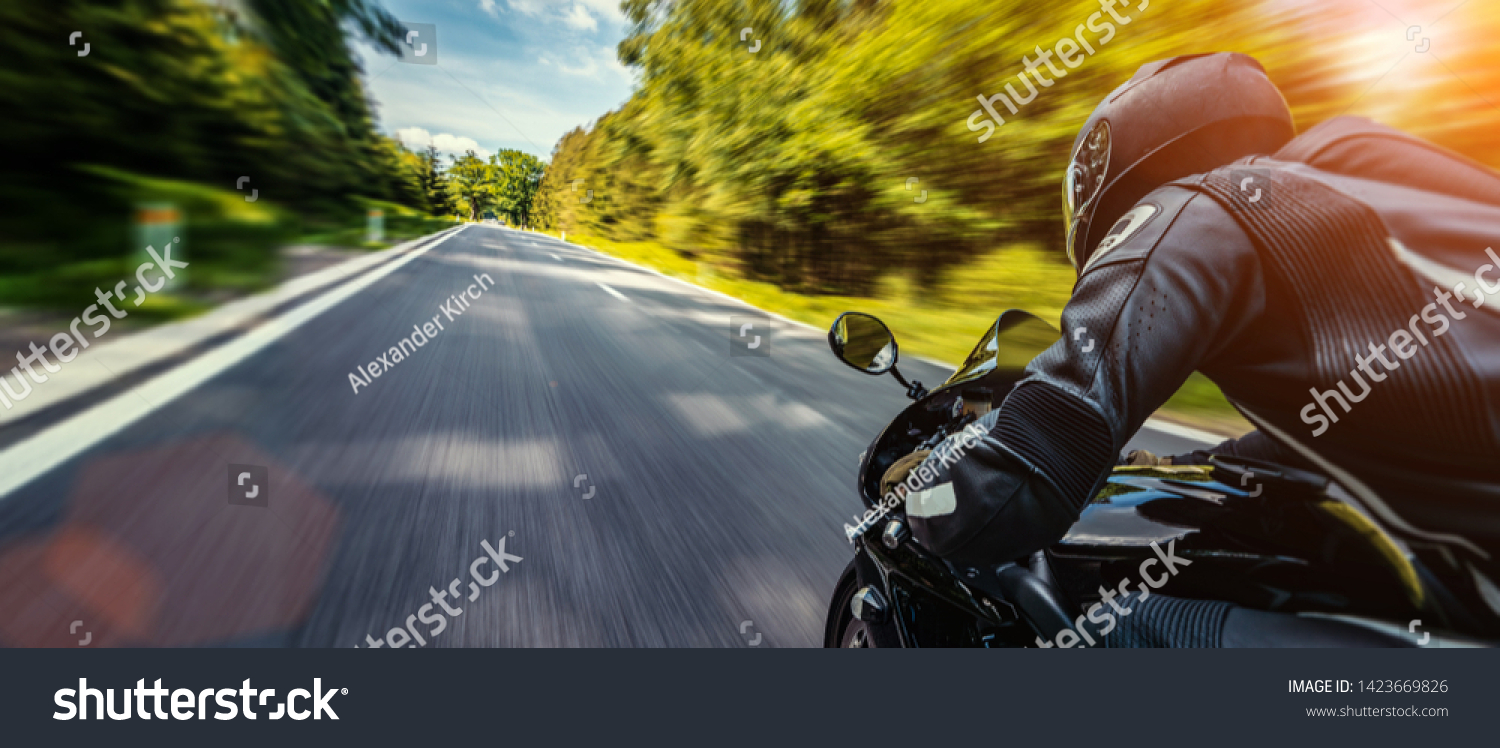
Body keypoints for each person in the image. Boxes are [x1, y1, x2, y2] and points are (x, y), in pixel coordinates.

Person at [894, 52, 1500, 646]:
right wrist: (1186, 463)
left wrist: (918, 499)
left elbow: (1027, 469)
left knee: (1113, 622)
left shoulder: (1191, 209)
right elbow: (1345, 434)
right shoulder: (1359, 168)